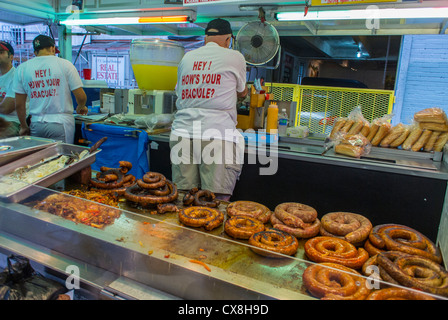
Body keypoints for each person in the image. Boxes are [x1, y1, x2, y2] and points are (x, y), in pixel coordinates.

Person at [170, 18, 248, 201]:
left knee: (184, 198)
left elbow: (179, 91)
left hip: (182, 132)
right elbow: (242, 92)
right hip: (217, 134)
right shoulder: (235, 57)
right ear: (228, 40)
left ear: (206, 38)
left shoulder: (187, 57)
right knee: (215, 201)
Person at [12, 34, 87, 144]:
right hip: (61, 123)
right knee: (63, 158)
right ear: (52, 48)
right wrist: (81, 106)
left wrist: (24, 126)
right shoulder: (65, 64)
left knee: (40, 158)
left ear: (35, 52)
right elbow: (81, 96)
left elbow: (19, 104)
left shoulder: (22, 68)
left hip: (36, 123)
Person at [0, 41, 20, 138]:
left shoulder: (16, 76)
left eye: (1, 52)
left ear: (11, 57)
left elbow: (6, 108)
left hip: (11, 123)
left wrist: (4, 102)